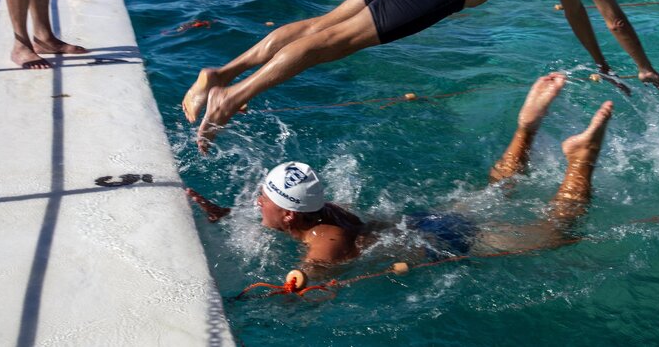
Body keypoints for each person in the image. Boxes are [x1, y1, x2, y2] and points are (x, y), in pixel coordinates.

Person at [183, 0, 659, 152]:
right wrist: (644, 67)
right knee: (332, 44)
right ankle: (232, 96)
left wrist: (604, 66)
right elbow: (613, 20)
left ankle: (220, 72)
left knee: (318, 24)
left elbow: (576, 17)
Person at [187, 73, 613, 273]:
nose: (256, 201)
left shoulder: (325, 245)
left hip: (444, 238)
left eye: (264, 198)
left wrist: (291, 295)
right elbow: (272, 222)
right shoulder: (323, 212)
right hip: (421, 223)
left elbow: (314, 287)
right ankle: (525, 128)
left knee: (560, 233)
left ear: (291, 215)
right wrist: (222, 214)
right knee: (495, 192)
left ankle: (581, 159)